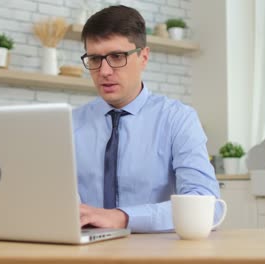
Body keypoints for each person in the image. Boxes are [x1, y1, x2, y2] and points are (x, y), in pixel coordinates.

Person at [73, 5, 222, 233]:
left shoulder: (178, 119)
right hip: (82, 250)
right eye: (94, 59)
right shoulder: (70, 124)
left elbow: (207, 206)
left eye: (117, 56)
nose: (104, 71)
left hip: (158, 252)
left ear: (143, 57)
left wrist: (123, 217)